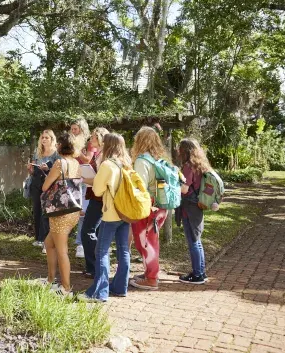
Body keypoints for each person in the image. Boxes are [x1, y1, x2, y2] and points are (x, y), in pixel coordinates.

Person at [83, 133, 131, 302]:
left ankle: (99, 292)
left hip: (111, 213)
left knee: (101, 251)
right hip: (125, 213)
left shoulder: (107, 165)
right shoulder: (127, 163)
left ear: (108, 145)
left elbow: (97, 190)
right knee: (123, 250)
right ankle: (120, 287)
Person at [41, 131, 82, 296]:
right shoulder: (75, 163)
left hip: (60, 211)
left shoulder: (60, 163)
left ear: (59, 146)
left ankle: (65, 288)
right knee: (49, 243)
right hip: (73, 211)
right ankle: (51, 280)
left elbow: (45, 187)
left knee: (61, 250)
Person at [128, 126, 170, 291]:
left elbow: (140, 187)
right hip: (160, 205)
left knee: (146, 242)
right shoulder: (158, 158)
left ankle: (151, 279)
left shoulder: (142, 161)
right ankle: (149, 274)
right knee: (150, 241)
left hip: (148, 205)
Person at [177, 138, 211, 284]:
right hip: (197, 205)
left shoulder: (188, 166)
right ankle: (200, 272)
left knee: (193, 241)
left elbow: (184, 189)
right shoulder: (201, 165)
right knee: (197, 240)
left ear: (185, 150)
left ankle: (197, 275)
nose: (178, 151)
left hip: (189, 207)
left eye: (180, 148)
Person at [79, 127, 109, 277]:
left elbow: (99, 179)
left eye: (93, 138)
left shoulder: (104, 156)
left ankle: (93, 266)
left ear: (101, 139)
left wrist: (84, 178)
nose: (91, 140)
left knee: (87, 231)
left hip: (99, 197)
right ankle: (96, 265)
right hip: (97, 195)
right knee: (95, 230)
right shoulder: (100, 154)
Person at [28, 129, 59, 252]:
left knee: (46, 212)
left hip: (49, 184)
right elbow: (32, 171)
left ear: (52, 139)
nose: (44, 139)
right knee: (37, 210)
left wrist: (48, 168)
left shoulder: (56, 153)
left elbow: (58, 169)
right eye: (42, 137)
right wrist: (30, 169)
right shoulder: (38, 152)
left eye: (47, 137)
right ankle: (38, 239)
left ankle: (45, 239)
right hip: (36, 183)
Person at [69, 118, 90, 259]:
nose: (72, 131)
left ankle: (80, 244)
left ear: (82, 129)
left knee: (82, 212)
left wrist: (77, 150)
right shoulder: (69, 142)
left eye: (75, 129)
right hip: (71, 178)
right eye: (72, 129)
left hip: (85, 180)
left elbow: (88, 159)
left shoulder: (89, 143)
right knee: (69, 211)